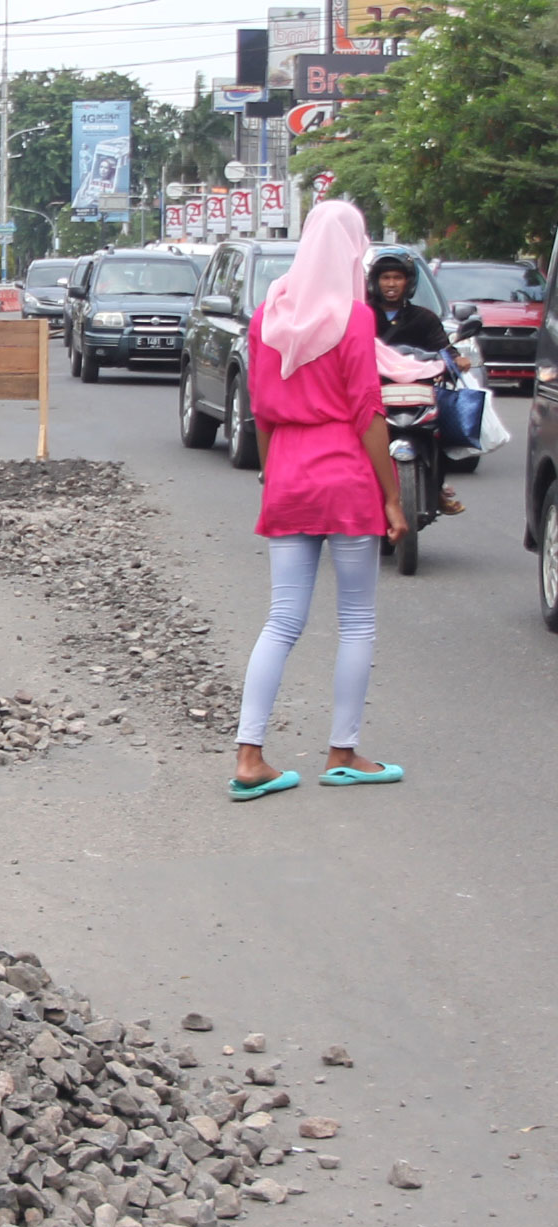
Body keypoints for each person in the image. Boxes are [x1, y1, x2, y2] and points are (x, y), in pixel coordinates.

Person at [228, 200, 408, 802]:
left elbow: (260, 412)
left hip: (288, 473)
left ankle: (250, 756)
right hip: (347, 478)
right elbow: (368, 413)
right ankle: (342, 751)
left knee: (282, 620)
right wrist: (392, 498)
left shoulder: (268, 317)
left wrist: (275, 472)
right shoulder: (353, 319)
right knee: (356, 621)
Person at [366, 252, 467, 515]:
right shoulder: (362, 315)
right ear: (375, 282)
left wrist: (458, 360)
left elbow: (444, 349)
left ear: (407, 283)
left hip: (418, 395)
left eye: (397, 278)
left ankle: (438, 488)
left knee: (444, 429)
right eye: (385, 277)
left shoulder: (425, 318)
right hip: (372, 393)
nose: (391, 284)